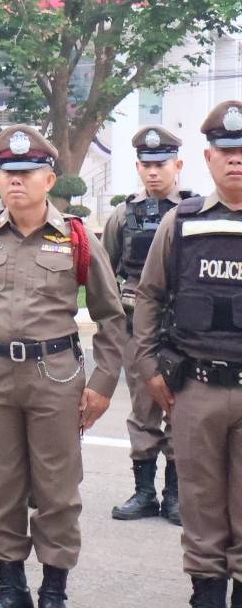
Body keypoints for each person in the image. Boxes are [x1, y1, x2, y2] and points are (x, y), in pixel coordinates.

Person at [0, 125, 124, 608]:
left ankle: (53, 595)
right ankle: (10, 591)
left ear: (49, 179)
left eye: (27, 173)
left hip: (56, 376)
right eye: (8, 173)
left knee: (57, 491)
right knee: (2, 488)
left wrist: (103, 382)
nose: (16, 181)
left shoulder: (76, 237)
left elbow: (112, 317)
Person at [133, 101, 242, 608]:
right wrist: (151, 367)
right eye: (226, 151)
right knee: (200, 504)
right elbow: (149, 297)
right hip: (196, 387)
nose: (235, 160)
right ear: (208, 157)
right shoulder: (182, 222)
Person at [104, 125, 190, 524]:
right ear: (138, 167)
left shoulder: (191, 213)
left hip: (183, 330)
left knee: (179, 409)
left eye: (161, 164)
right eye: (147, 165)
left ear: (178, 165)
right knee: (143, 409)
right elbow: (105, 270)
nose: (153, 172)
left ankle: (175, 494)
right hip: (137, 328)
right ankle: (143, 492)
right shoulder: (123, 215)